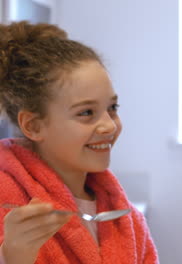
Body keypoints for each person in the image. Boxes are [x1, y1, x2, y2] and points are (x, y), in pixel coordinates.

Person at [0, 21, 158, 263]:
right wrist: (11, 257)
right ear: (33, 125)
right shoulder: (8, 208)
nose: (109, 125)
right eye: (86, 113)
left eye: (112, 108)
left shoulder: (127, 219)